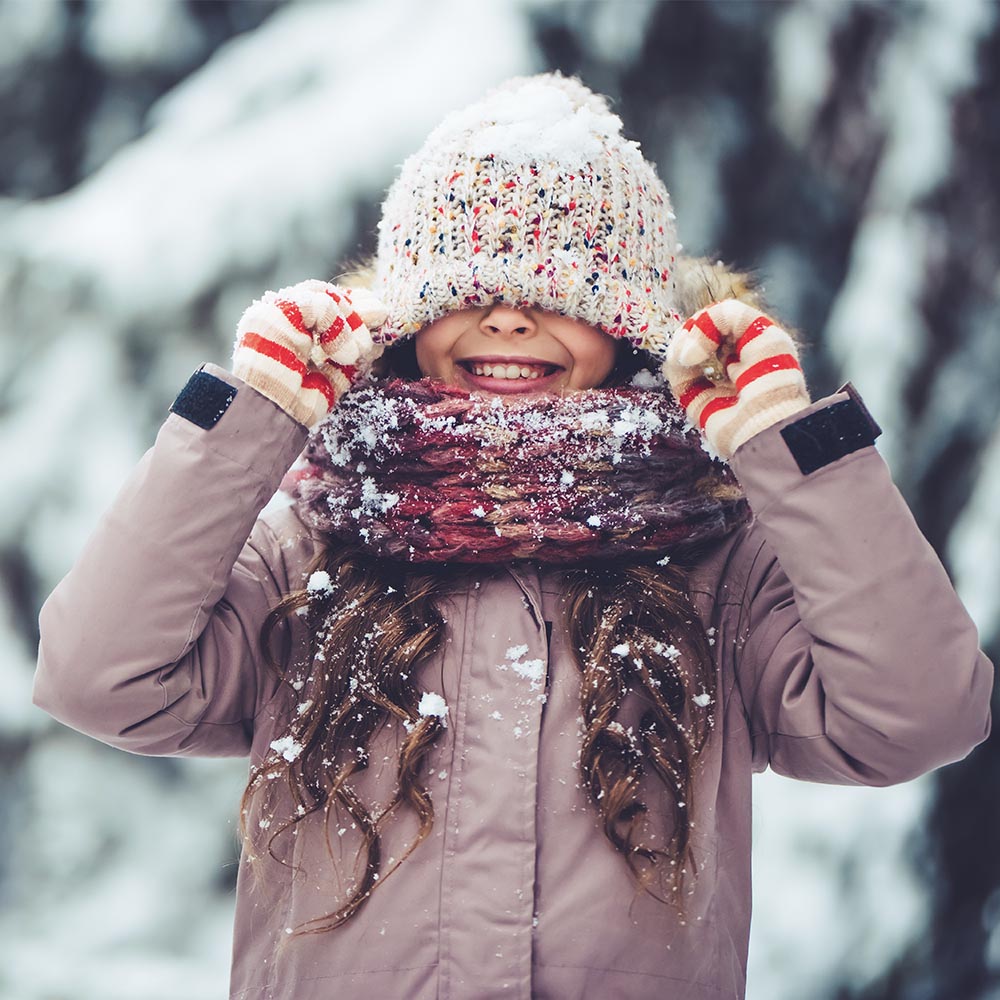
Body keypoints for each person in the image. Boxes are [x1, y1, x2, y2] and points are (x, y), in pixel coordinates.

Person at [33, 73, 992, 1000]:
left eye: (562, 289)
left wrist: (789, 448)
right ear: (408, 315)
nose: (507, 317)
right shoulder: (311, 543)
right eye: (466, 286)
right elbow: (100, 678)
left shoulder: (723, 563)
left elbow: (918, 716)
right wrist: (251, 421)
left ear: (628, 327)